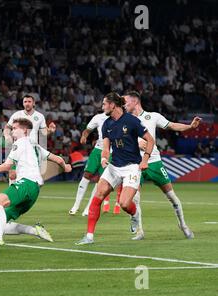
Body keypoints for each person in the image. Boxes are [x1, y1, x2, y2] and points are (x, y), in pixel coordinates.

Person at [76, 92, 154, 245]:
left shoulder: (132, 121)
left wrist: (145, 160)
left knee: (125, 204)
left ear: (113, 105)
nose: (102, 106)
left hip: (132, 167)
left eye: (105, 104)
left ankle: (134, 215)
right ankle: (89, 236)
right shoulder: (106, 124)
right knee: (97, 196)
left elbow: (150, 140)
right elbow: (106, 148)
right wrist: (104, 158)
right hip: (114, 167)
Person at [0, 118, 72, 246]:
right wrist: (66, 167)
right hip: (34, 190)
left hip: (26, 183)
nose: (12, 131)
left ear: (24, 130)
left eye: (15, 128)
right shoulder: (36, 146)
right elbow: (58, 159)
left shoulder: (20, 143)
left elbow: (7, 166)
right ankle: (35, 231)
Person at [124, 90, 199, 239]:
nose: (123, 105)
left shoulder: (152, 116)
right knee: (135, 198)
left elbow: (171, 126)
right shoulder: (124, 120)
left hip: (155, 162)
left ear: (135, 102)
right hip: (135, 164)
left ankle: (183, 225)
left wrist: (190, 127)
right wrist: (136, 143)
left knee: (172, 197)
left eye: (126, 102)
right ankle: (140, 231)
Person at [68, 109, 122, 216]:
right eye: (103, 104)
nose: (104, 106)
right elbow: (87, 129)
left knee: (101, 181)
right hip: (97, 150)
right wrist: (84, 136)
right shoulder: (98, 117)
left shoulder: (120, 118)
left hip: (111, 153)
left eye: (105, 104)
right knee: (86, 175)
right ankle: (76, 206)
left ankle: (88, 208)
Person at [3, 95, 56, 184]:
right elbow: (7, 127)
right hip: (18, 147)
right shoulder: (17, 114)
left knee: (31, 176)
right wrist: (7, 136)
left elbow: (43, 133)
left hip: (32, 149)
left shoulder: (40, 116)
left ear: (33, 103)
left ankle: (26, 195)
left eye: (29, 102)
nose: (27, 104)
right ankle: (12, 196)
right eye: (25, 102)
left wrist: (50, 130)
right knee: (12, 174)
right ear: (23, 103)